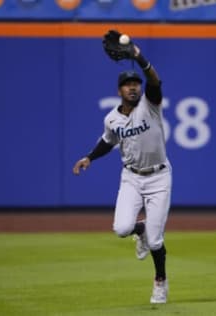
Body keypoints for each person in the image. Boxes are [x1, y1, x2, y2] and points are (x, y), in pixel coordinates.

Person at [72, 41, 171, 304]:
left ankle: (160, 281)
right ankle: (140, 230)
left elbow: (155, 81)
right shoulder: (112, 119)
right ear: (119, 90)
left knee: (158, 241)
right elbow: (109, 140)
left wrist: (139, 57)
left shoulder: (149, 104)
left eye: (136, 83)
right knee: (121, 228)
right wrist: (89, 157)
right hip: (131, 177)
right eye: (128, 84)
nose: (133, 87)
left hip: (159, 177)